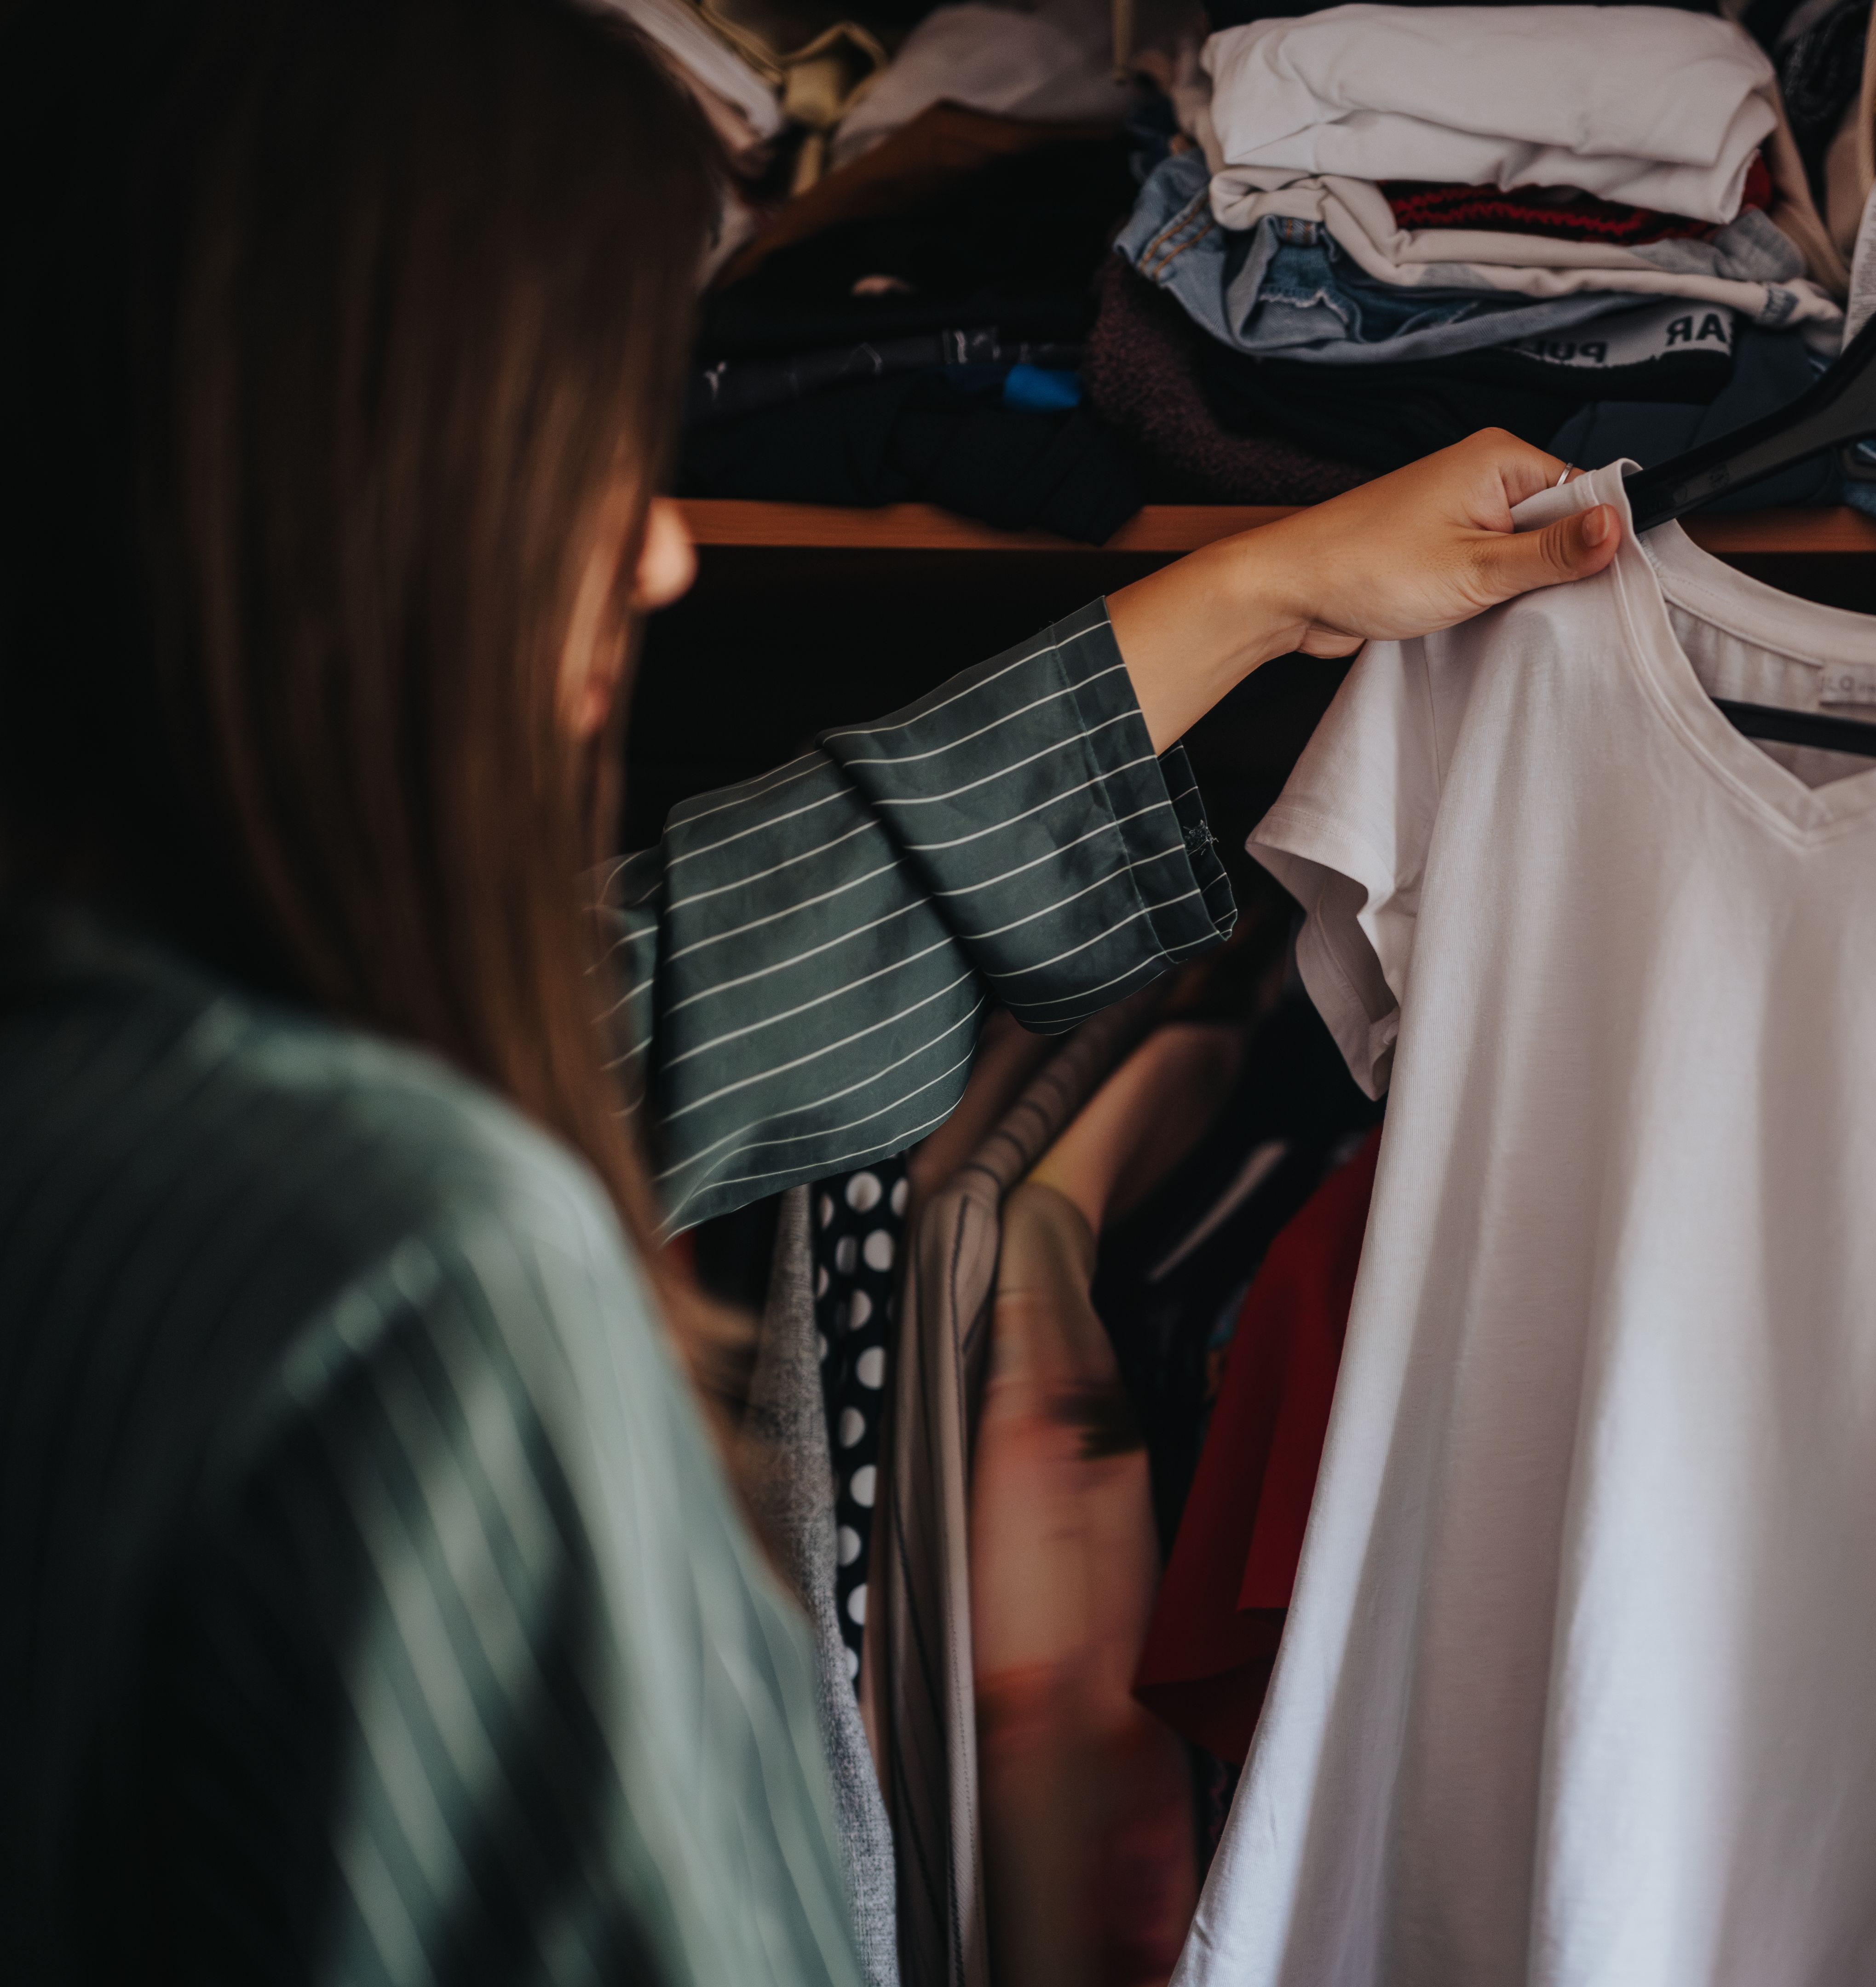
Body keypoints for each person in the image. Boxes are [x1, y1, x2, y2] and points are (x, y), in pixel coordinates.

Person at [0, 1, 1617, 1980]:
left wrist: (1271, 591)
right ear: (334, 503)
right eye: (578, 459)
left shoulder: (120, 1076)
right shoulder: (425, 1281)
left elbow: (681, 987)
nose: (661, 562)